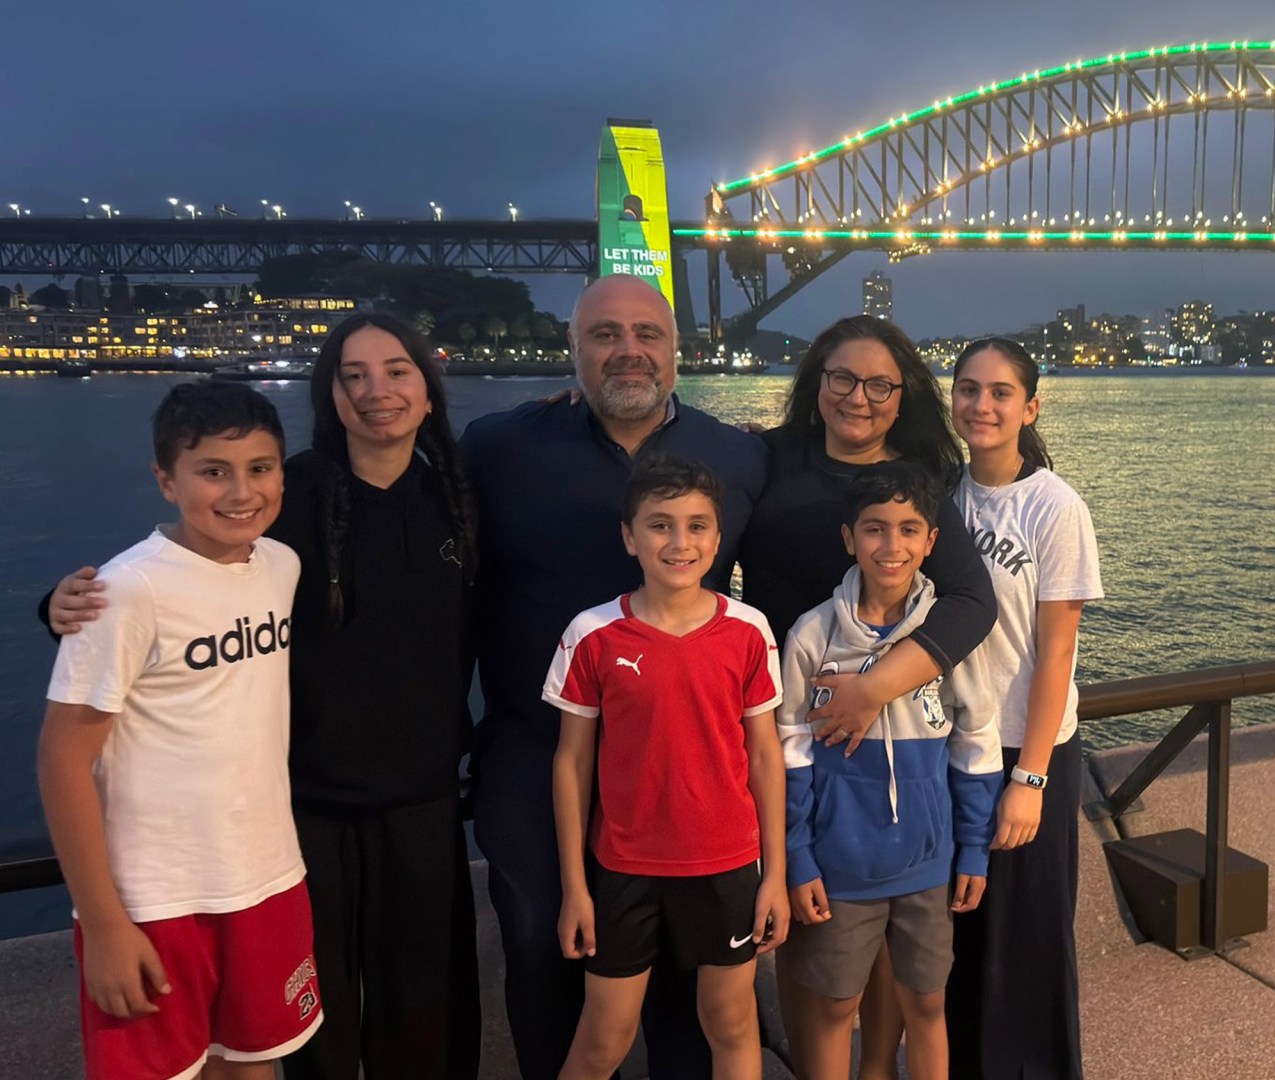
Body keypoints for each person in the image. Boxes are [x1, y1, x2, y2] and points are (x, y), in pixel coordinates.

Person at [47, 315, 483, 1080]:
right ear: (330, 393)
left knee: (422, 1000)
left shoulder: (461, 492)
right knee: (310, 1025)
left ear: (428, 385)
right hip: (301, 802)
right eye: (352, 375)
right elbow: (181, 576)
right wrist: (59, 605)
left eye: (396, 370)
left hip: (421, 794)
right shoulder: (290, 495)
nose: (376, 390)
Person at [461, 274, 768, 1080]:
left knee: (683, 970)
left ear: (677, 350)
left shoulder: (738, 454)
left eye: (647, 334)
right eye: (604, 336)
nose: (628, 351)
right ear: (575, 351)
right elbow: (419, 562)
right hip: (540, 751)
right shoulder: (500, 447)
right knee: (539, 941)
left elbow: (795, 566)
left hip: (680, 761)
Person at [735, 315, 998, 1072]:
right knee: (819, 957)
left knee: (901, 969)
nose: (859, 396)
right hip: (789, 714)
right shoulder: (767, 457)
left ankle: (878, 1068)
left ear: (902, 392)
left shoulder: (915, 480)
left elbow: (971, 602)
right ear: (816, 382)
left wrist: (873, 690)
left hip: (886, 722)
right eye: (842, 378)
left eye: (880, 383)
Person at [39, 381, 322, 1080]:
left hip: (266, 877)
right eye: (212, 472)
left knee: (256, 1066)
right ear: (166, 480)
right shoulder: (128, 590)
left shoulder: (280, 565)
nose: (240, 492)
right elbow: (62, 760)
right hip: (154, 897)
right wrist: (104, 923)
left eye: (260, 468)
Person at [543, 455, 788, 1080]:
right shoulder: (592, 634)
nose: (680, 542)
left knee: (732, 1024)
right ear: (630, 536)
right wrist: (575, 886)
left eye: (698, 526)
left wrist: (774, 877)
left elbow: (765, 756)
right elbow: (571, 763)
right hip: (625, 867)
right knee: (604, 1036)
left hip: (728, 864)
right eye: (659, 525)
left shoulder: (748, 631)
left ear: (717, 538)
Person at [778, 465, 1002, 1080]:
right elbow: (790, 754)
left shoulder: (945, 639)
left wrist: (974, 852)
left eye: (908, 530)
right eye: (875, 529)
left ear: (932, 541)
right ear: (849, 537)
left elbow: (976, 744)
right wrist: (799, 856)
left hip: (929, 863)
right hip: (839, 865)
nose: (892, 546)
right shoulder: (812, 636)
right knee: (834, 1007)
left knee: (927, 1003)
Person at [943, 338, 1102, 1080]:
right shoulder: (942, 494)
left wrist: (1030, 777)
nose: (983, 405)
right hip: (951, 747)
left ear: (1029, 408)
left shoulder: (1053, 505)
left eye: (1001, 392)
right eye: (969, 389)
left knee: (1029, 943)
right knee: (960, 939)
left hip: (1024, 751)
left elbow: (1056, 653)